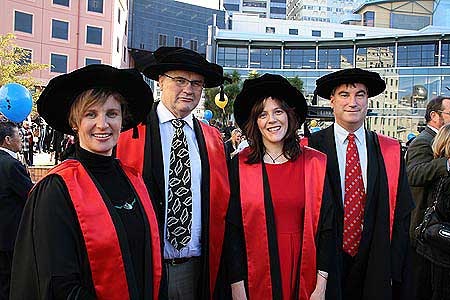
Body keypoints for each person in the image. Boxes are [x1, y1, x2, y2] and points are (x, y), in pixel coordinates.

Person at [10, 64, 162, 300]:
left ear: (123, 120)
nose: (103, 124)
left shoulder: (134, 181)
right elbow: (58, 283)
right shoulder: (57, 188)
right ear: (75, 122)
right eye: (91, 114)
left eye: (112, 113)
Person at [116, 47, 231, 300]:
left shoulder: (212, 139)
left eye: (197, 83)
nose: (188, 89)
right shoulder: (129, 133)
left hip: (198, 267)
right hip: (143, 264)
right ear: (160, 81)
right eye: (179, 80)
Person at [307, 68, 414, 300]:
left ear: (368, 101)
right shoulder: (310, 148)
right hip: (322, 261)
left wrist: (392, 268)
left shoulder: (390, 150)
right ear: (332, 101)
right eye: (344, 94)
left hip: (374, 260)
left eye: (360, 94)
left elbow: (403, 213)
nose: (352, 102)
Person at [225, 74, 335, 300]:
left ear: (289, 116)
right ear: (255, 122)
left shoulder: (315, 164)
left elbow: (327, 228)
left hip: (303, 267)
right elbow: (232, 231)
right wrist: (237, 288)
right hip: (254, 270)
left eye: (278, 112)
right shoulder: (239, 165)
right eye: (263, 114)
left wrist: (320, 287)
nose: (272, 120)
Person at [414, 123, 450, 300]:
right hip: (440, 253)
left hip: (432, 247)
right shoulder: (443, 174)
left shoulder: (441, 175)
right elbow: (412, 174)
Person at [407, 96, 450, 237]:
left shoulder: (440, 139)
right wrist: (446, 164)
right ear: (434, 116)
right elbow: (412, 174)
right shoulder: (423, 141)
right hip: (425, 226)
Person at [0, 121, 33, 300]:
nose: (21, 139)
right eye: (18, 136)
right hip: (10, 235)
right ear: (7, 139)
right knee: (10, 278)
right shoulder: (11, 165)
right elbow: (30, 193)